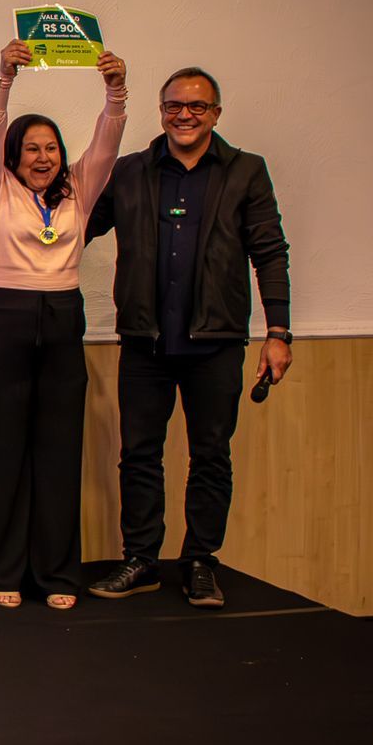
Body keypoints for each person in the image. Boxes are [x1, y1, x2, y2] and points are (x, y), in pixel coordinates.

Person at [85, 66, 292, 609]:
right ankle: (142, 560)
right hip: (144, 342)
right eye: (175, 105)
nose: (184, 115)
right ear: (161, 111)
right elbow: (76, 225)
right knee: (139, 456)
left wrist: (278, 331)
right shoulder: (130, 172)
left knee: (211, 457)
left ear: (216, 114)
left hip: (216, 343)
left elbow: (269, 252)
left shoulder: (246, 172)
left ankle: (201, 560)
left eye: (197, 107)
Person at [0, 42, 128, 610]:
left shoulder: (79, 191)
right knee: (0, 450)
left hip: (61, 318)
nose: (42, 156)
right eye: (30, 148)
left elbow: (107, 144)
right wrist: (5, 79)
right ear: (13, 155)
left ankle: (56, 574)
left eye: (51, 147)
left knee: (59, 453)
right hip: (4, 315)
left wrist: (115, 91)